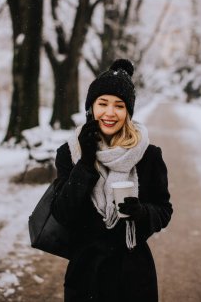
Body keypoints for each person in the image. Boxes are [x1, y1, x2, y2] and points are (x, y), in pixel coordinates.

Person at [51, 59, 173, 302]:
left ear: (128, 112)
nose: (110, 113)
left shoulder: (148, 155)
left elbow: (164, 210)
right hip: (86, 275)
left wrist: (142, 212)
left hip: (133, 274)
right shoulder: (70, 153)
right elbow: (63, 213)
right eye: (102, 103)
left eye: (119, 105)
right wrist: (85, 163)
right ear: (91, 108)